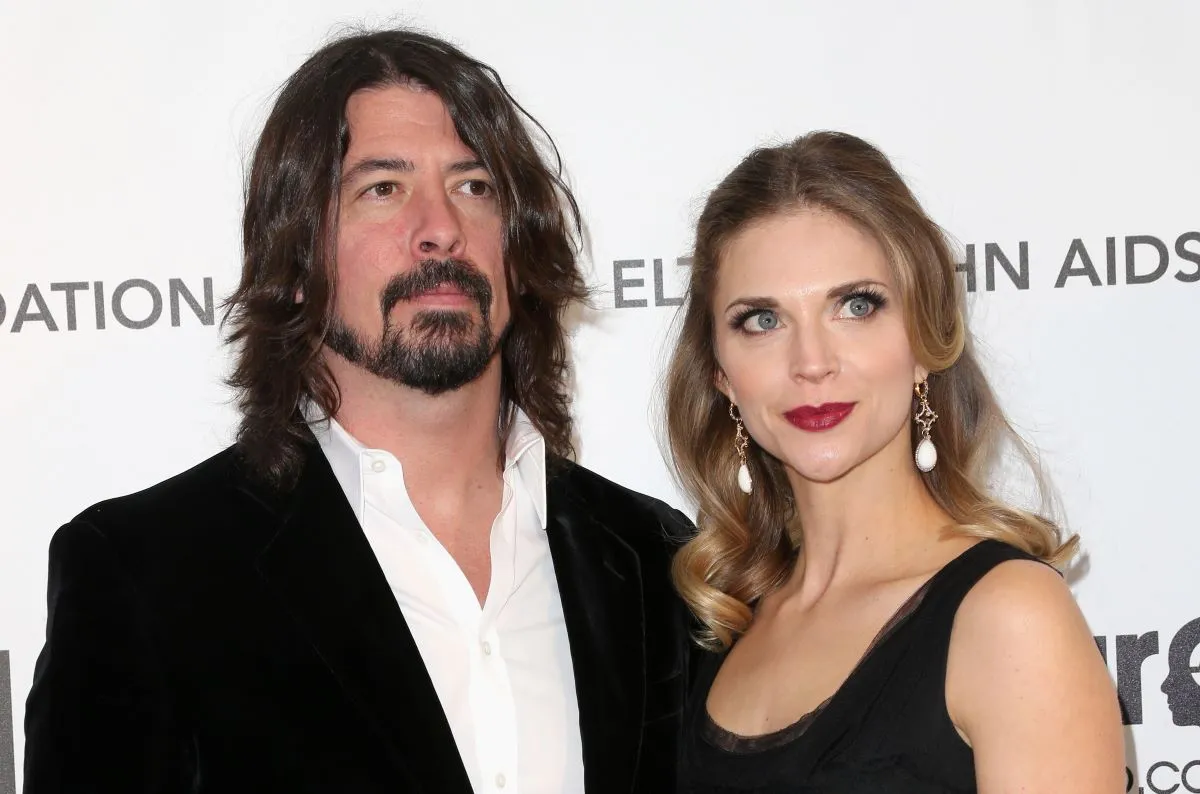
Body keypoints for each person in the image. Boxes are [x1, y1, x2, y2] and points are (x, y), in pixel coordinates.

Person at [24, 28, 693, 794]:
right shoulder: (146, 574)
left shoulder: (657, 560)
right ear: (297, 257)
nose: (441, 228)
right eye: (383, 188)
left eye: (475, 186)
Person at [663, 131, 1124, 792]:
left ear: (924, 338)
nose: (812, 362)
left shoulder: (1007, 617)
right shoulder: (718, 624)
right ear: (720, 374)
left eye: (856, 306)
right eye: (762, 320)